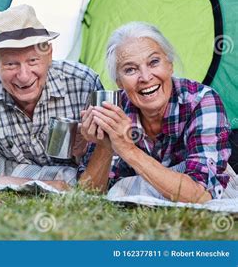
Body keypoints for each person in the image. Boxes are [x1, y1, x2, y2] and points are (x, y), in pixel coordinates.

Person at [0, 4, 102, 191]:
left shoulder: (85, 84)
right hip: (17, 173)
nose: (24, 76)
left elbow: (113, 157)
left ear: (49, 54)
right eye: (11, 64)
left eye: (33, 60)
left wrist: (85, 149)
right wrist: (40, 185)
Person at [79, 22, 232, 203]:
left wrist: (127, 149)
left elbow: (201, 195)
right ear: (119, 82)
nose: (145, 77)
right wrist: (105, 145)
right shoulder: (114, 110)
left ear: (170, 65)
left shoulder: (201, 101)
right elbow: (86, 197)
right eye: (130, 69)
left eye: (153, 62)